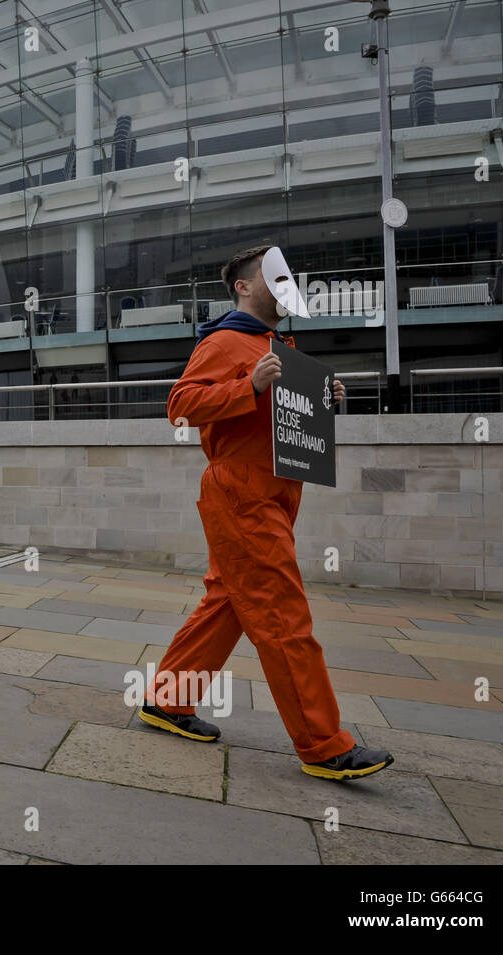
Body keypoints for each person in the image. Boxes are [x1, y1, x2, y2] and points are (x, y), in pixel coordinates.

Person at [140, 245, 394, 781]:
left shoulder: (278, 344)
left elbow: (275, 417)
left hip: (275, 491)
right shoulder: (226, 340)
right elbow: (179, 405)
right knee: (282, 614)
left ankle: (167, 699)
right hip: (243, 492)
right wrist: (248, 385)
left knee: (227, 603)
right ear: (243, 287)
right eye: (272, 280)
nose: (283, 290)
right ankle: (324, 744)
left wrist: (323, 397)